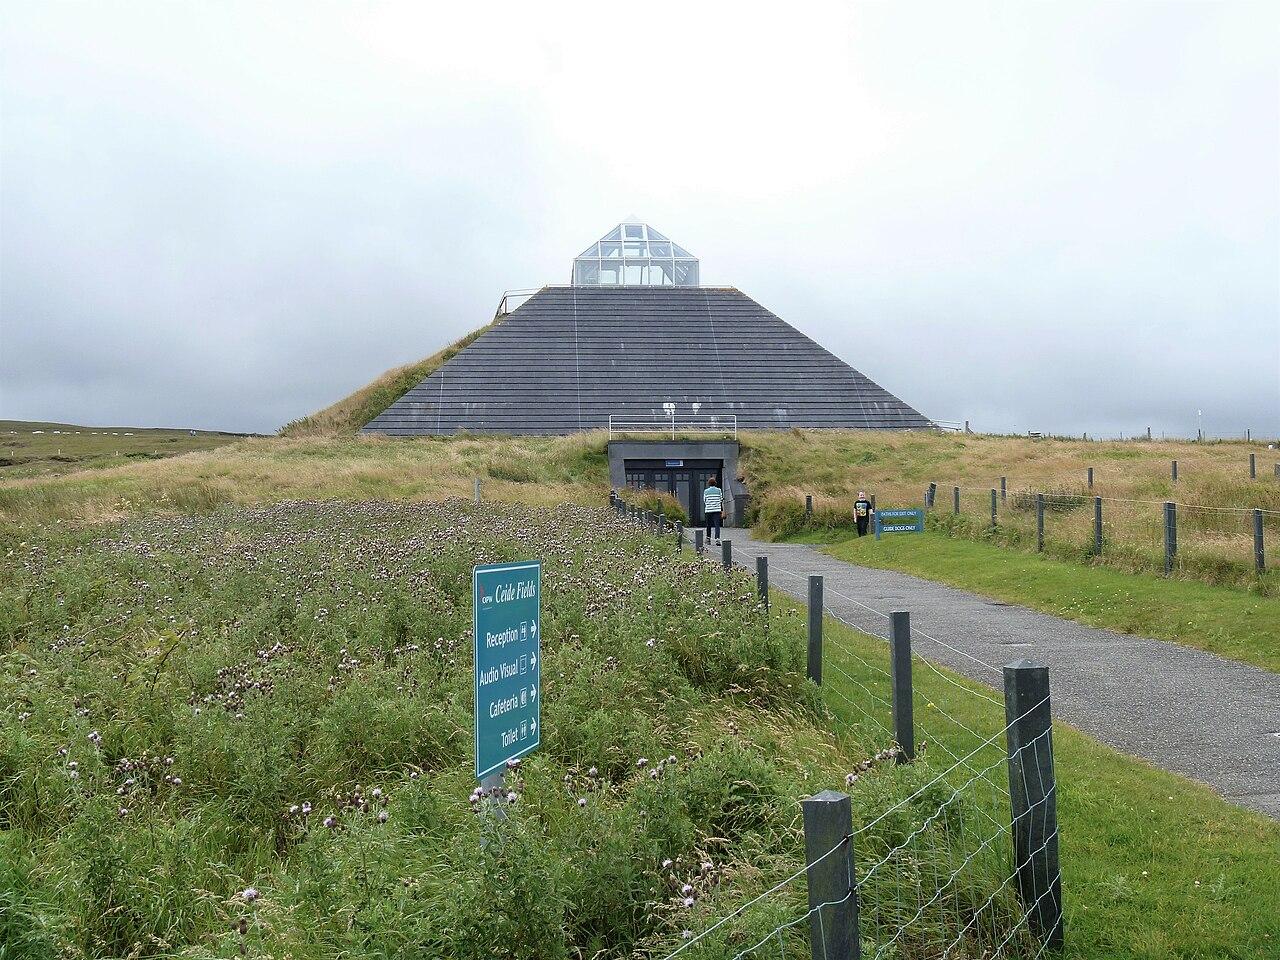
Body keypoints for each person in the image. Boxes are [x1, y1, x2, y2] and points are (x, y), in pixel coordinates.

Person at [703, 477, 723, 545]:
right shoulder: (719, 490)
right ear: (715, 483)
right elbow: (721, 499)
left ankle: (708, 539)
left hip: (708, 510)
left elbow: (704, 500)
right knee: (717, 525)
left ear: (709, 483)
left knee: (708, 525)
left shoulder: (706, 491)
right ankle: (717, 539)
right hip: (717, 510)